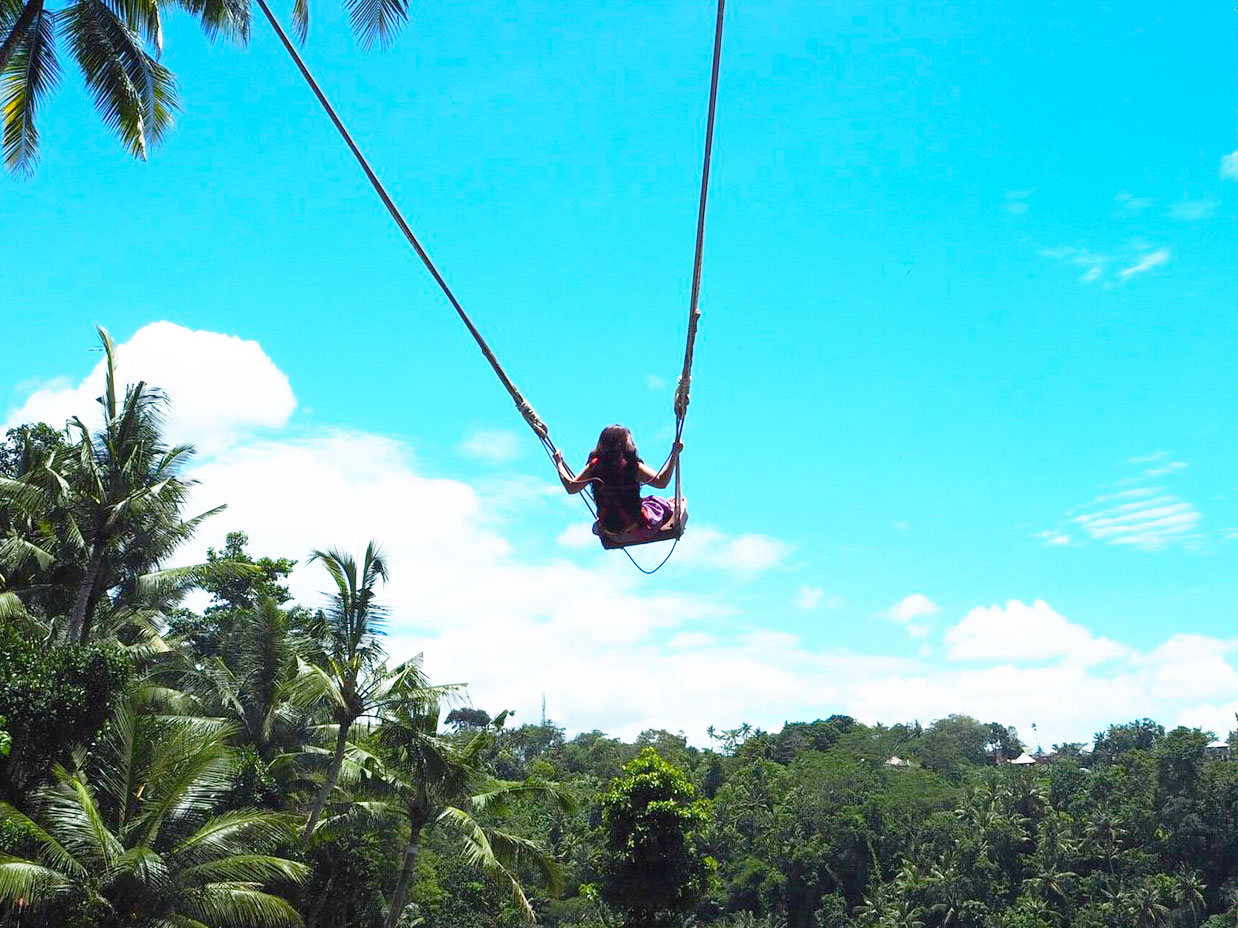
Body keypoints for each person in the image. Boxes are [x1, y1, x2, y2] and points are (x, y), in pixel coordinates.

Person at [554, 425, 685, 543]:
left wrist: (559, 462)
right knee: (656, 502)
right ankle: (671, 504)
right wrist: (674, 453)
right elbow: (661, 482)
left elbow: (571, 487)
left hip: (609, 532)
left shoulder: (595, 466)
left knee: (640, 503)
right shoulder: (632, 466)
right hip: (638, 530)